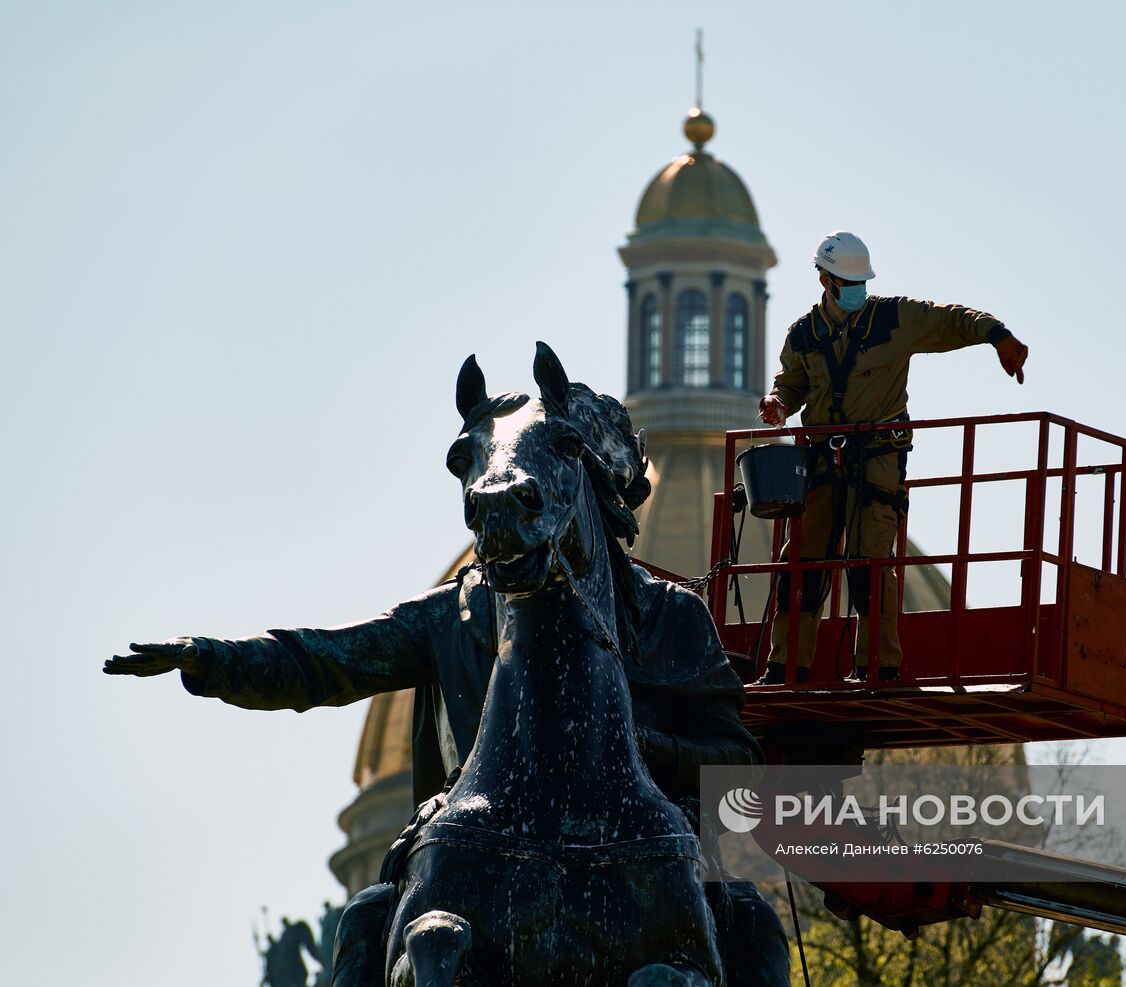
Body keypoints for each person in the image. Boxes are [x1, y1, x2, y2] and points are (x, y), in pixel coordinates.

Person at [105, 390, 790, 987]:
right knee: (371, 916)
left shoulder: (669, 614)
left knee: (755, 927)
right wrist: (213, 658)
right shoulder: (455, 609)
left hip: (650, 851)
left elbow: (741, 776)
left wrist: (637, 744)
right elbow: (326, 659)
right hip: (475, 832)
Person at [757, 230, 1029, 685]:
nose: (857, 290)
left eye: (861, 281)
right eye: (848, 282)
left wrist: (997, 336)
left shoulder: (891, 319)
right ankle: (786, 667)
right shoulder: (804, 335)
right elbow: (792, 385)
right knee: (801, 563)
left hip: (877, 460)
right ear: (825, 281)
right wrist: (778, 404)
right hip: (823, 463)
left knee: (870, 563)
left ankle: (878, 668)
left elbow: (950, 320)